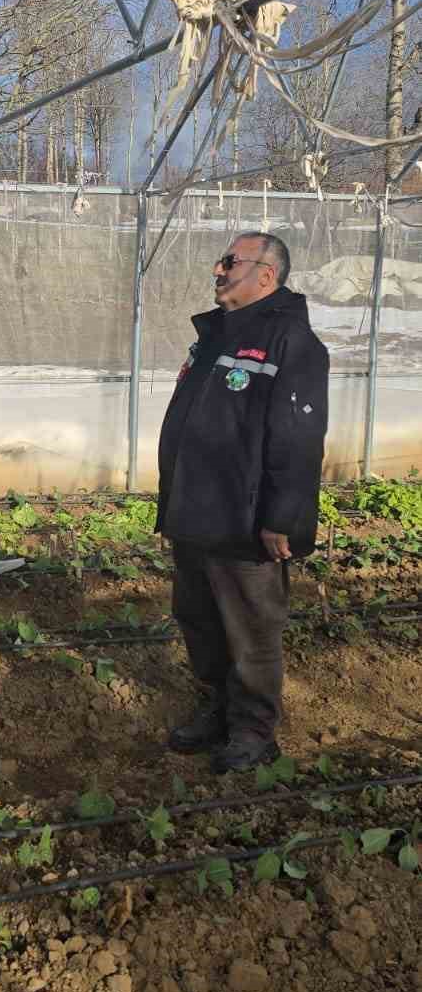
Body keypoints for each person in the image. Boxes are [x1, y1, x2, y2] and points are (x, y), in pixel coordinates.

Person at [157, 230, 329, 773]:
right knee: (198, 619)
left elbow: (299, 438)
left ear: (266, 275)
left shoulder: (289, 341)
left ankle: (254, 731)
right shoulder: (215, 335)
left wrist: (283, 515)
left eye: (229, 261)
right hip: (195, 510)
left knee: (251, 629)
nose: (218, 269)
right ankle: (217, 709)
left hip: (244, 517)